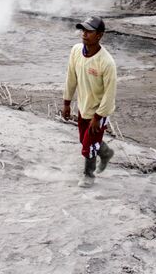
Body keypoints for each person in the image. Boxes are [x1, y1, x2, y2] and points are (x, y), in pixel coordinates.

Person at [62, 16, 117, 188]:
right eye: (83, 30)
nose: (84, 34)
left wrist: (98, 117)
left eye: (89, 31)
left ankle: (88, 175)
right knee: (84, 140)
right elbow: (71, 78)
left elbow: (109, 95)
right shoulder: (76, 51)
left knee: (88, 145)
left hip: (99, 111)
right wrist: (67, 103)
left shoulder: (107, 62)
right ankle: (106, 152)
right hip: (83, 106)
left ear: (99, 35)